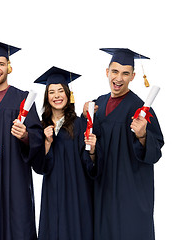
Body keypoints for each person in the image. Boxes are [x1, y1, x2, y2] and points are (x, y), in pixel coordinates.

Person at [83, 48, 164, 240]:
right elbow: (88, 147)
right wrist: (85, 117)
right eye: (115, 71)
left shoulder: (140, 108)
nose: (119, 78)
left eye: (125, 73)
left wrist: (143, 135)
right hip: (103, 191)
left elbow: (156, 150)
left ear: (133, 76)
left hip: (130, 193)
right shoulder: (98, 105)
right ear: (107, 72)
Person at [0, 40, 44, 240]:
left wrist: (26, 136)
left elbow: (37, 137)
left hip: (16, 180)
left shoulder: (23, 99)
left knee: (18, 227)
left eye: (1, 64)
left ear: (9, 67)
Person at [33, 66, 96, 240]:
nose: (57, 96)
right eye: (52, 92)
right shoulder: (40, 126)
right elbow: (39, 167)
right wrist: (47, 142)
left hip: (77, 190)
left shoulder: (80, 124)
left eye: (61, 90)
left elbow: (89, 163)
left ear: (68, 95)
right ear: (47, 97)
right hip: (52, 190)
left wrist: (93, 149)